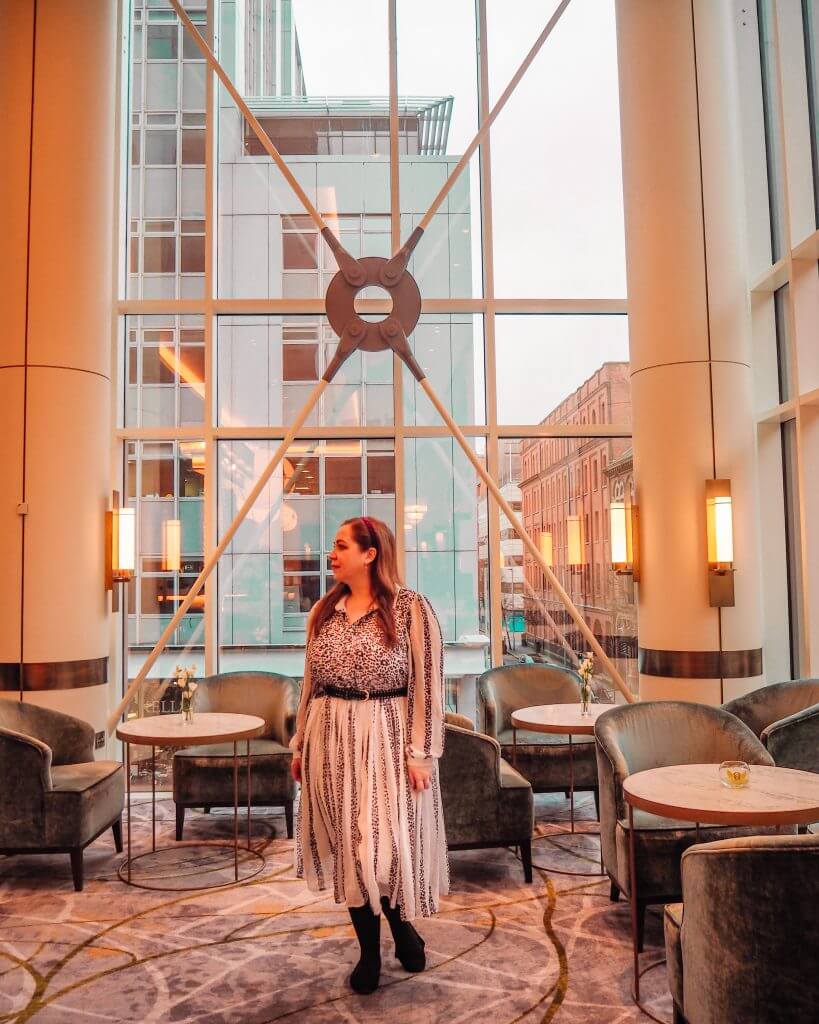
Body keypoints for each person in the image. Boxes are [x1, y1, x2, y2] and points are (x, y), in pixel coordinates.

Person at [290, 515, 448, 994]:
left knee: (386, 847)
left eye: (341, 546)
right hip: (330, 737)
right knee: (349, 847)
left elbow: (427, 685)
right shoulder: (324, 610)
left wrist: (421, 753)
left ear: (370, 553)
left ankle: (402, 927)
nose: (331, 554)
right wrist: (300, 743)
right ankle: (369, 952)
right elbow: (310, 683)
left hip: (387, 737)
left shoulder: (411, 608)